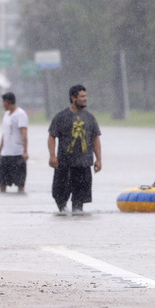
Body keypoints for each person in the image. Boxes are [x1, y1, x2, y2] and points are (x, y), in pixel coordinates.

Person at [47, 84, 102, 214]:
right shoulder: (61, 117)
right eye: (82, 96)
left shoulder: (90, 118)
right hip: (64, 164)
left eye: (85, 96)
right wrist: (52, 156)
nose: (85, 99)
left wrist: (99, 159)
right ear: (73, 98)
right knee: (59, 196)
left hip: (83, 165)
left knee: (79, 204)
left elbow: (95, 139)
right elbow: (52, 136)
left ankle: (77, 223)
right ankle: (63, 217)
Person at [0, 91, 28, 193]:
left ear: (8, 102)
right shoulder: (6, 115)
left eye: (3, 102)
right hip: (6, 154)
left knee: (20, 184)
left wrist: (25, 151)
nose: (3, 104)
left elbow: (24, 134)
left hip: (17, 154)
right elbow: (4, 133)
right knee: (2, 182)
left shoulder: (20, 114)